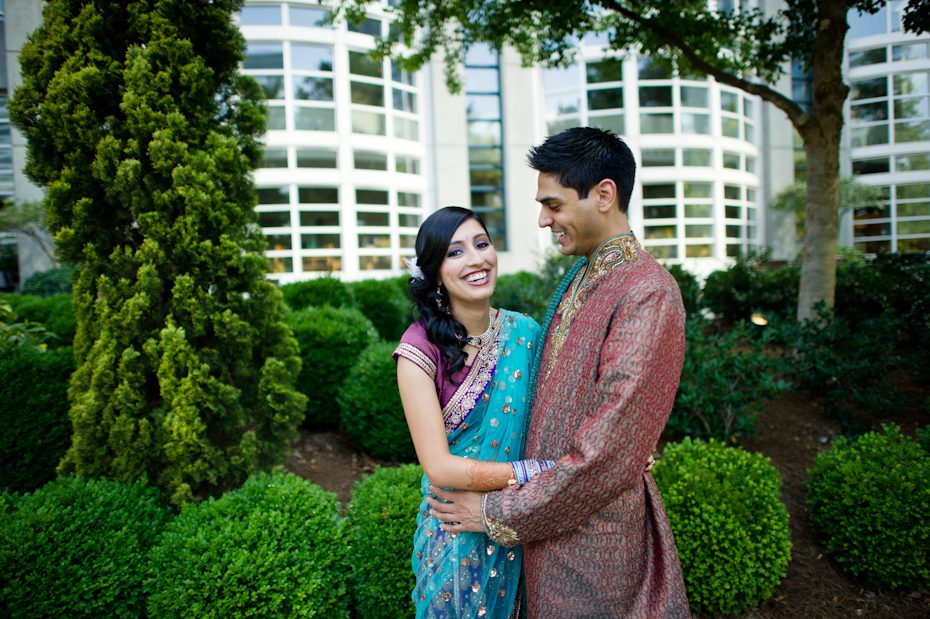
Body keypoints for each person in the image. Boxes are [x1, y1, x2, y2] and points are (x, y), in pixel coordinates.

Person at [427, 128, 692, 618]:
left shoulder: (646, 292)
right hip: (543, 533)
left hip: (595, 548)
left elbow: (606, 453)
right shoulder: (585, 276)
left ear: (604, 194)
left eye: (553, 205)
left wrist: (493, 512)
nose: (543, 220)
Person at [394, 206, 552, 618]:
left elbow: (558, 413)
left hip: (521, 524)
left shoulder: (526, 333)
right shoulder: (417, 350)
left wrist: (614, 448)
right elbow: (440, 468)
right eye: (456, 252)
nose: (477, 259)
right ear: (433, 274)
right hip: (455, 532)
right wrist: (534, 471)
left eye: (482, 244)